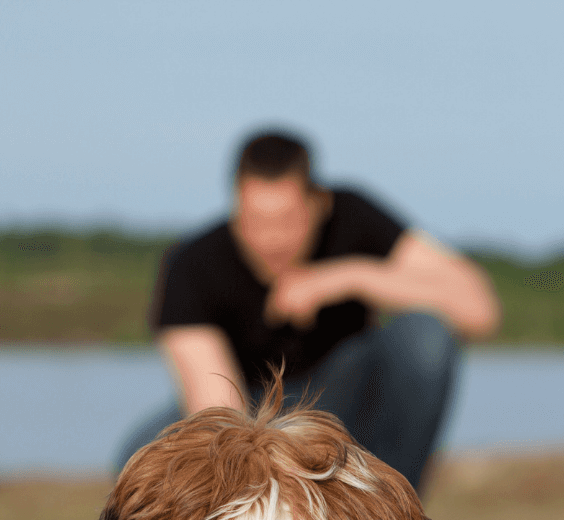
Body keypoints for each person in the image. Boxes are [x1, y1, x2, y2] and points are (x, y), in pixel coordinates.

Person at [118, 131, 501, 490]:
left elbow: (479, 310)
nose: (271, 239)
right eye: (255, 221)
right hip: (248, 407)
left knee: (425, 335)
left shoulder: (352, 215)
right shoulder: (193, 265)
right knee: (138, 461)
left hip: (343, 399)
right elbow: (221, 417)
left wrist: (348, 276)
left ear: (318, 204)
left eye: (287, 221)